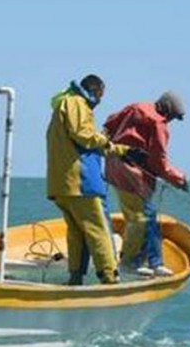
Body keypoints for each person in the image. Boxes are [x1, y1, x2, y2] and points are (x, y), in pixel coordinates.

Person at [46, 74, 135, 286]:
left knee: (77, 233)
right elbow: (84, 135)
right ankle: (109, 277)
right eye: (100, 95)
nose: (100, 101)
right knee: (99, 230)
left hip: (62, 184)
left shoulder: (61, 108)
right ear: (94, 91)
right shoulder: (76, 103)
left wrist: (118, 151)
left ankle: (76, 277)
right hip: (81, 182)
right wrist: (118, 149)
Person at [104, 91, 188, 277]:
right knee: (144, 218)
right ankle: (133, 263)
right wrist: (178, 179)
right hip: (133, 175)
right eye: (173, 116)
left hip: (112, 167)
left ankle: (150, 261)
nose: (171, 120)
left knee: (145, 216)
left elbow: (108, 123)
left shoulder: (135, 106)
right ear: (167, 109)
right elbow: (159, 161)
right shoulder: (158, 123)